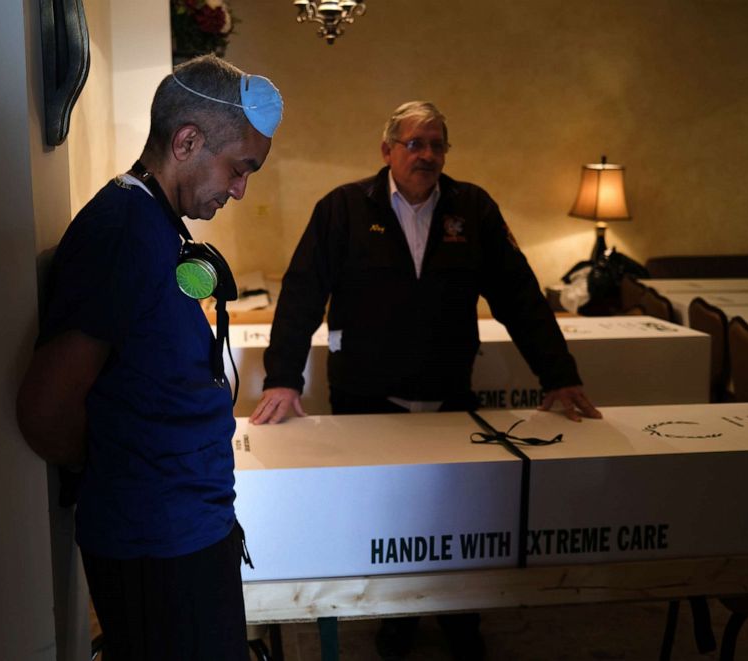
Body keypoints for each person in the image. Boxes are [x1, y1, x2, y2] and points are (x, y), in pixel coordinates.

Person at [250, 101, 600, 660]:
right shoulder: (342, 209)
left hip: (450, 393)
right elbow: (301, 295)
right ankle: (395, 618)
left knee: (459, 513)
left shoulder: (474, 209)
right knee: (384, 516)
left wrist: (558, 376)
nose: (428, 155)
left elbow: (520, 297)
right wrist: (282, 379)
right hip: (367, 394)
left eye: (437, 144)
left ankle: (462, 616)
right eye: (415, 143)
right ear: (387, 150)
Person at [16, 55, 282, 661]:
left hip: (187, 530)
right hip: (155, 546)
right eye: (241, 168)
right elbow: (45, 411)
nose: (242, 188)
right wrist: (125, 464)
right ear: (187, 140)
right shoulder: (120, 230)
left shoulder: (157, 225)